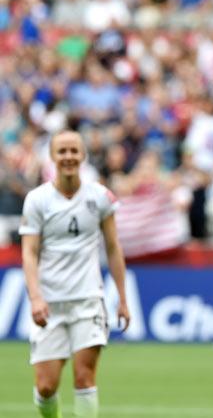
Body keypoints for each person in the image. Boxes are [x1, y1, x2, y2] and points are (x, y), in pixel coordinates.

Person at [20, 130, 130, 418]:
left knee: (84, 378)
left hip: (88, 300)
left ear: (83, 155)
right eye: (62, 151)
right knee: (46, 386)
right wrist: (35, 297)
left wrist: (122, 298)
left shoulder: (100, 197)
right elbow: (29, 252)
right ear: (53, 157)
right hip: (50, 302)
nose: (68, 157)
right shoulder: (37, 200)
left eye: (73, 151)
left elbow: (113, 247)